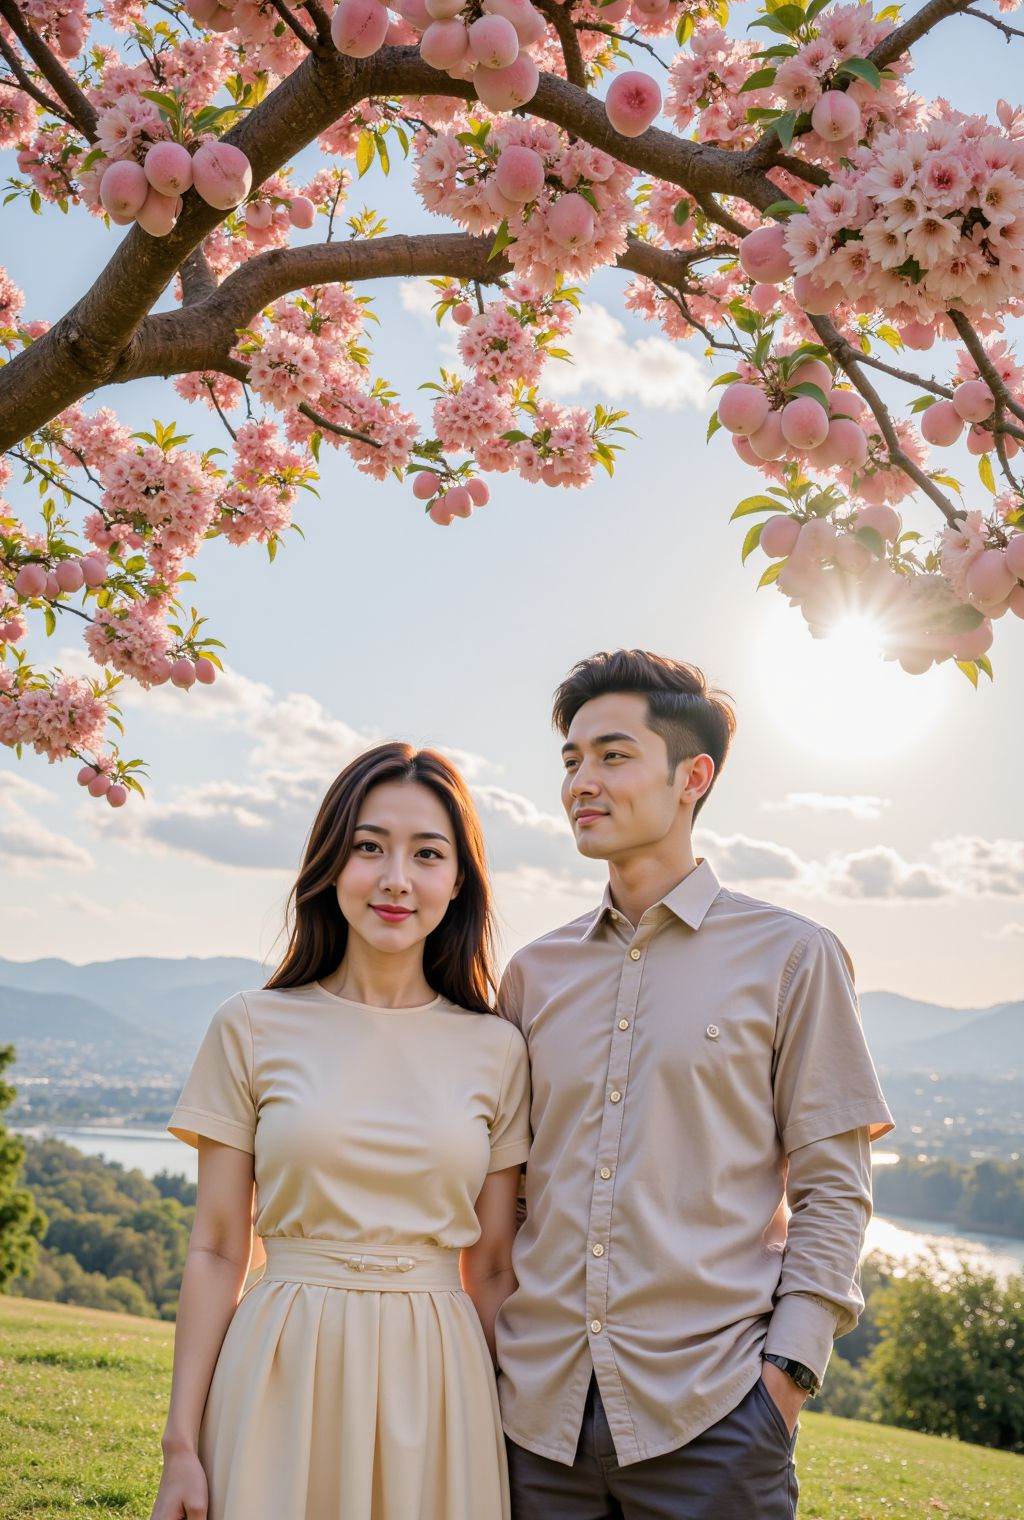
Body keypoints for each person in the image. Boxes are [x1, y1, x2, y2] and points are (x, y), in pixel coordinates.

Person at [495, 649, 896, 1520]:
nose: (580, 783)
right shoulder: (533, 974)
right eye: (570, 760)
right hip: (534, 1427)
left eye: (611, 755)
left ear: (693, 776)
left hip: (714, 1425)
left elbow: (835, 1191)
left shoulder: (793, 956)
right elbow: (509, 1193)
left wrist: (784, 1378)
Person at [152, 743, 531, 1520]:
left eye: (428, 854)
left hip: (442, 1382)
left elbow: (491, 1267)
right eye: (369, 847)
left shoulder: (498, 1049)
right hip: (281, 1367)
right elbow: (220, 1246)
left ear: (458, 881)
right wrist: (180, 1447)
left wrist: (516, 1437)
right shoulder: (252, 1026)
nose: (396, 878)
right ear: (331, 865)